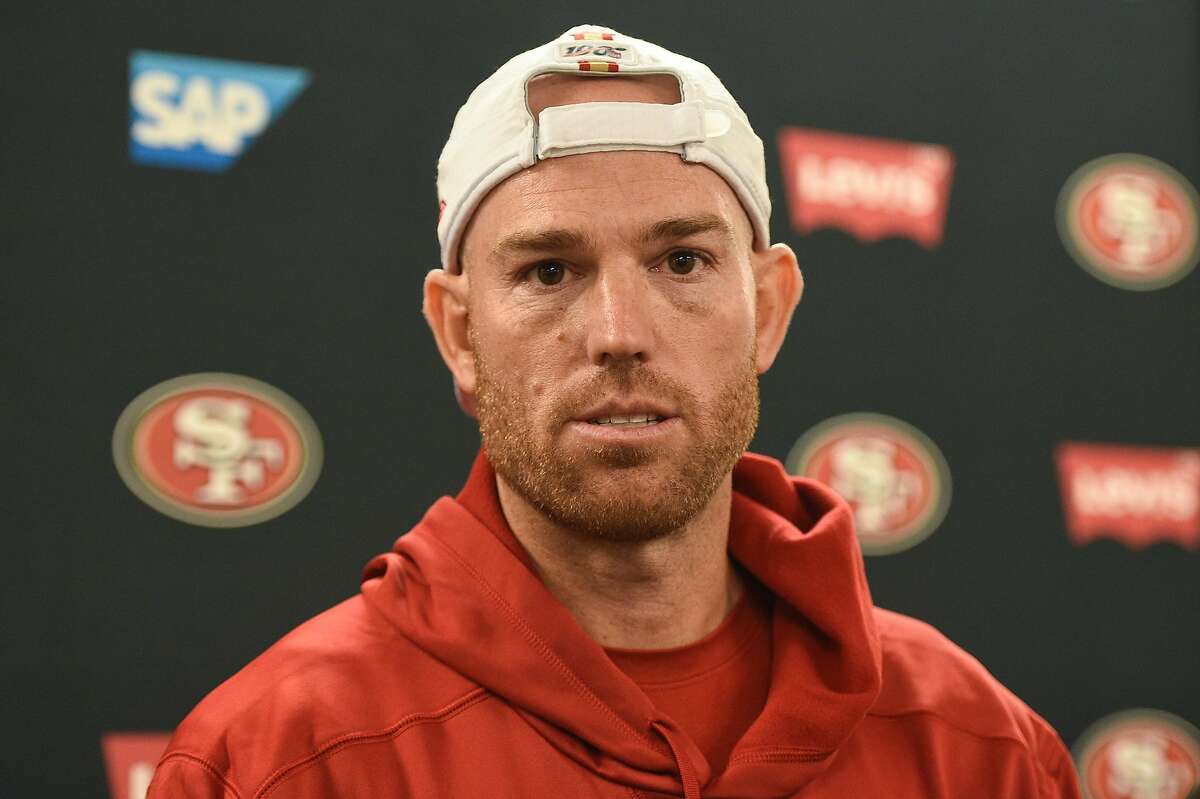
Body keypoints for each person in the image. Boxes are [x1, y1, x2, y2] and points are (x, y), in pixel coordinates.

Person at [148, 25, 1082, 798]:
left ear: (771, 310)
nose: (619, 333)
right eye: (548, 271)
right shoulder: (276, 760)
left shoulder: (979, 749)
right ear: (459, 335)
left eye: (682, 261)